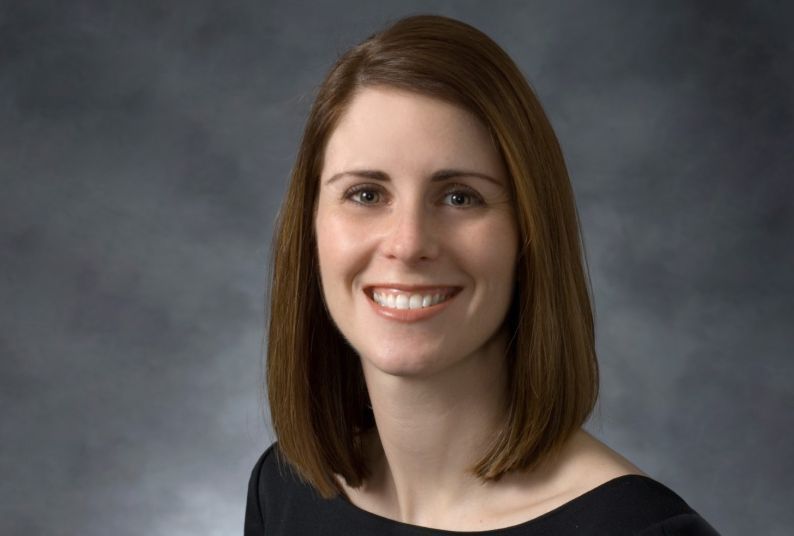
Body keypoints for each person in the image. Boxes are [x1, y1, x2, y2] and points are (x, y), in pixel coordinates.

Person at [245, 14, 718, 535]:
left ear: (529, 234)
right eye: (365, 194)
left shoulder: (643, 530)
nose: (407, 244)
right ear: (309, 227)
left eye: (459, 197)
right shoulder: (284, 490)